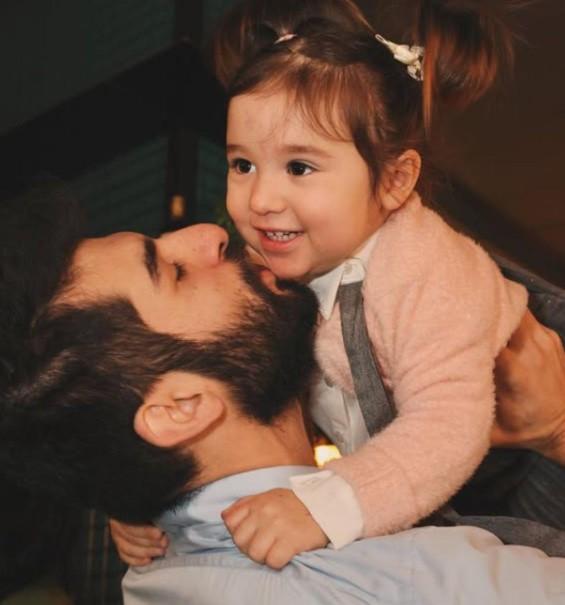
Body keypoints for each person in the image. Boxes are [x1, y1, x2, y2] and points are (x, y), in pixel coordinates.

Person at [111, 0, 565, 568]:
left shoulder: (427, 273)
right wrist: (151, 494)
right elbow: (215, 388)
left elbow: (448, 424)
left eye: (299, 167)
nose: (260, 199)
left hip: (526, 483)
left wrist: (326, 506)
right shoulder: (266, 266)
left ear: (395, 180)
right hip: (414, 489)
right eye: (242, 164)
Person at [3, 184, 565, 605]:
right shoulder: (407, 581)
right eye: (174, 272)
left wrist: (134, 501)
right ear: (179, 409)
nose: (209, 234)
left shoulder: (163, 575)